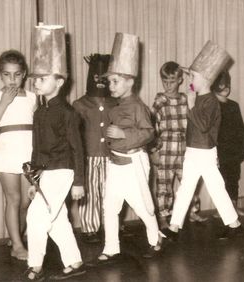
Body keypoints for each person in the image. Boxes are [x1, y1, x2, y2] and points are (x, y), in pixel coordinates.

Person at [87, 33, 162, 265]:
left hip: (133, 164)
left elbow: (149, 133)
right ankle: (111, 248)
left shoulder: (139, 107)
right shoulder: (115, 106)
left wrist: (123, 134)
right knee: (110, 207)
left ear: (130, 81)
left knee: (142, 206)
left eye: (115, 81)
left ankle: (155, 239)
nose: (110, 86)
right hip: (116, 164)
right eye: (109, 82)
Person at [161, 41, 244, 241]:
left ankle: (234, 224)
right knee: (186, 188)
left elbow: (203, 125)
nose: (190, 79)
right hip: (193, 151)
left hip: (205, 152)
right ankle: (174, 227)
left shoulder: (211, 101)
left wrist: (190, 106)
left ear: (206, 79)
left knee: (214, 188)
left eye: (193, 76)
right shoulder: (200, 98)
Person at [24, 24, 86, 281]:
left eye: (43, 78)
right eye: (36, 78)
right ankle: (74, 261)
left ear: (59, 81)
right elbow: (37, 149)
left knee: (36, 216)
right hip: (45, 174)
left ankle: (35, 266)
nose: (37, 83)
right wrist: (34, 180)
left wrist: (79, 182)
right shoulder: (39, 112)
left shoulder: (68, 113)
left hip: (63, 171)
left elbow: (77, 149)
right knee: (57, 219)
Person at [0, 49, 35, 261]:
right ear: (0, 74)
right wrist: (4, 102)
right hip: (7, 150)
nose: (12, 80)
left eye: (17, 74)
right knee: (13, 199)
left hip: (29, 150)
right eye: (6, 74)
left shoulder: (33, 97)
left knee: (25, 202)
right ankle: (17, 247)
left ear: (24, 74)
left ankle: (16, 237)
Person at [151, 61, 208, 229]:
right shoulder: (160, 101)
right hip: (165, 150)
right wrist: (154, 150)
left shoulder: (186, 99)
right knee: (164, 186)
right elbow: (151, 127)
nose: (168, 85)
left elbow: (195, 123)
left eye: (172, 81)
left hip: (185, 150)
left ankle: (192, 211)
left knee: (189, 183)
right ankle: (164, 216)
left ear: (180, 80)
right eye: (165, 81)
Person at [72, 54, 117, 243]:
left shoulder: (115, 102)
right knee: (89, 193)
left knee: (110, 192)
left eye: (103, 79)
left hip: (110, 156)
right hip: (89, 156)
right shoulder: (80, 104)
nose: (99, 83)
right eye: (96, 78)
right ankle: (90, 228)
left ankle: (111, 225)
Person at [211, 70, 244, 217]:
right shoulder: (211, 105)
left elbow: (240, 130)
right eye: (221, 84)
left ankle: (233, 207)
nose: (226, 87)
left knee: (233, 179)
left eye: (227, 84)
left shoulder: (234, 105)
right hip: (219, 151)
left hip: (233, 152)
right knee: (221, 181)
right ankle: (223, 209)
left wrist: (241, 151)